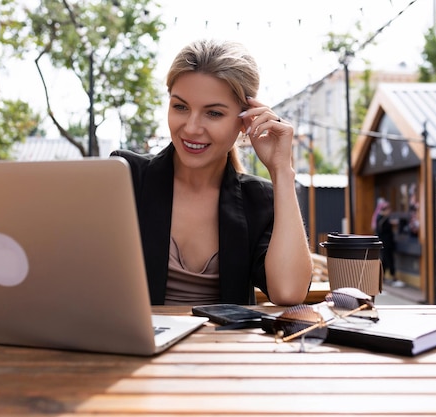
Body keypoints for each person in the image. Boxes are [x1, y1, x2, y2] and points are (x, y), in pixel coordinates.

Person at [111, 39, 313, 306]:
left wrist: (281, 171)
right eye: (180, 107)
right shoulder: (125, 178)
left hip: (222, 346)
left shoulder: (258, 200)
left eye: (213, 113)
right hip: (139, 345)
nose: (192, 128)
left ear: (245, 121)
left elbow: (288, 292)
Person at [373, 199, 403, 287]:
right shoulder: (383, 220)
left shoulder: (379, 218)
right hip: (386, 243)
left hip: (383, 243)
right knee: (388, 259)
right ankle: (393, 277)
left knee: (385, 260)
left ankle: (382, 277)